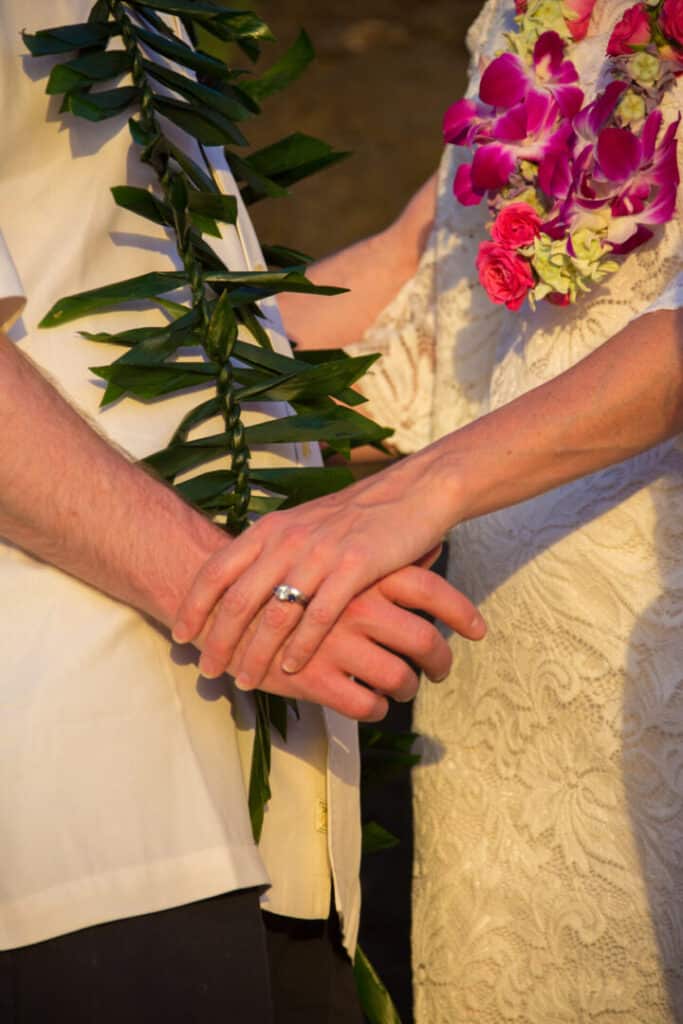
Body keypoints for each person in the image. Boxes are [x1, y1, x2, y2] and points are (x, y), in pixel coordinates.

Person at [177, 0, 683, 1019]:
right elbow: (423, 263)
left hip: (647, 661)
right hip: (491, 676)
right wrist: (118, 403)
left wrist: (414, 490)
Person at [0, 3, 487, 1021]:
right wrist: (246, 599)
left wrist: (434, 237)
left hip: (256, 767)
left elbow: (164, 347)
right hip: (77, 775)